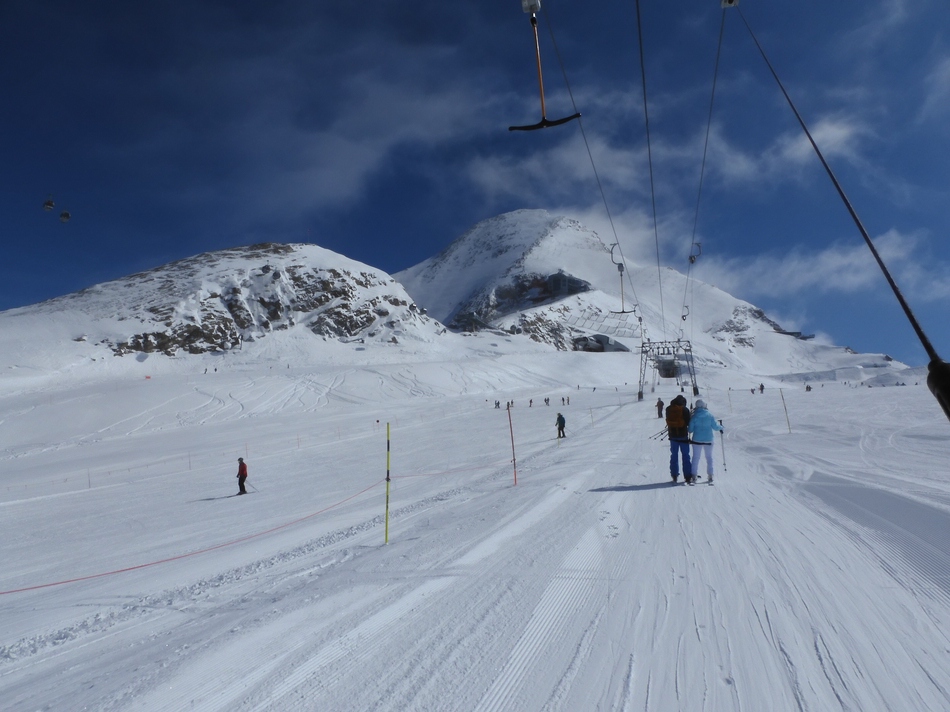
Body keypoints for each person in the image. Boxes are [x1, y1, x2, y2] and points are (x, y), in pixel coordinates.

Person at [687, 399, 723, 483]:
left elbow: (690, 430)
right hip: (709, 440)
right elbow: (715, 427)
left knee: (696, 457)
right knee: (709, 457)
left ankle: (694, 475)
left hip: (696, 440)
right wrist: (721, 427)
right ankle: (710, 475)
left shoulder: (694, 416)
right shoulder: (710, 415)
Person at [665, 395, 692, 483]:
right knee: (686, 456)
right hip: (683, 436)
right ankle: (687, 476)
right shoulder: (685, 409)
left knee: (674, 455)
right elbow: (688, 422)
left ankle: (674, 475)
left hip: (673, 437)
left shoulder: (668, 409)